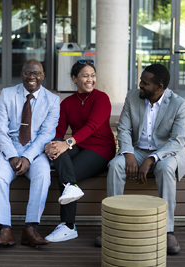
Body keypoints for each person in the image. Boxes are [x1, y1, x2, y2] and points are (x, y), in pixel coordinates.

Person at [95, 64, 185, 255]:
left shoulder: (179, 104)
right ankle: (114, 225)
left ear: (159, 87)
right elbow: (124, 129)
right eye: (140, 81)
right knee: (115, 165)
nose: (140, 86)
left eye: (145, 83)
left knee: (165, 169)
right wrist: (128, 153)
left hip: (166, 152)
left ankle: (168, 230)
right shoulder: (132, 97)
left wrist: (152, 159)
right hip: (137, 150)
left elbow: (177, 140)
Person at [0, 59, 60, 248]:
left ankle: (30, 229)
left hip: (35, 151)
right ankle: (4, 230)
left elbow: (47, 134)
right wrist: (12, 156)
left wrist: (27, 157)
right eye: (28, 73)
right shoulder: (7, 94)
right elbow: (1, 130)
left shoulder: (52, 100)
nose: (32, 77)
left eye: (36, 73)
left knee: (43, 175)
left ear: (43, 75)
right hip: (7, 149)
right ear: (22, 75)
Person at [43, 60, 116, 242]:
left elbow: (92, 127)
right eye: (85, 76)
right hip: (80, 145)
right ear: (75, 79)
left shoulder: (102, 98)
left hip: (101, 148)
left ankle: (68, 226)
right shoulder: (67, 103)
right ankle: (71, 191)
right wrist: (52, 146)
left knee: (68, 172)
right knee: (58, 145)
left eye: (92, 75)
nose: (90, 79)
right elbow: (59, 131)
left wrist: (67, 143)